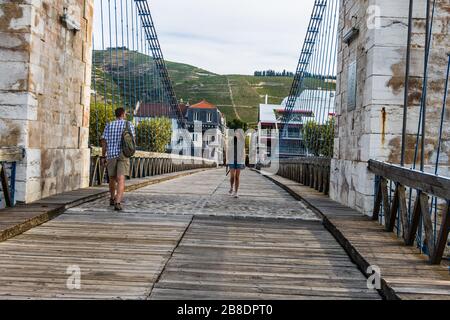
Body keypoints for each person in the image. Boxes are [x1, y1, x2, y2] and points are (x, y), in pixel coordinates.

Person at [100, 107, 136, 211]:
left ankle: (112, 198)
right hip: (123, 154)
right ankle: (118, 202)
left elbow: (104, 142)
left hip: (111, 154)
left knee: (111, 178)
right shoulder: (128, 124)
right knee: (121, 178)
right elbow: (133, 140)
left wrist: (103, 156)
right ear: (124, 114)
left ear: (116, 114)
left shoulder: (109, 125)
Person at [226, 129, 246, 198]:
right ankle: (231, 188)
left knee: (237, 177)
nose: (236, 134)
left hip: (239, 161)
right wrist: (227, 160)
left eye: (238, 133)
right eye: (236, 133)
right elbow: (228, 150)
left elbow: (243, 152)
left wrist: (244, 161)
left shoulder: (242, 142)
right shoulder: (231, 141)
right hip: (231, 160)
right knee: (232, 176)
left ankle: (236, 192)